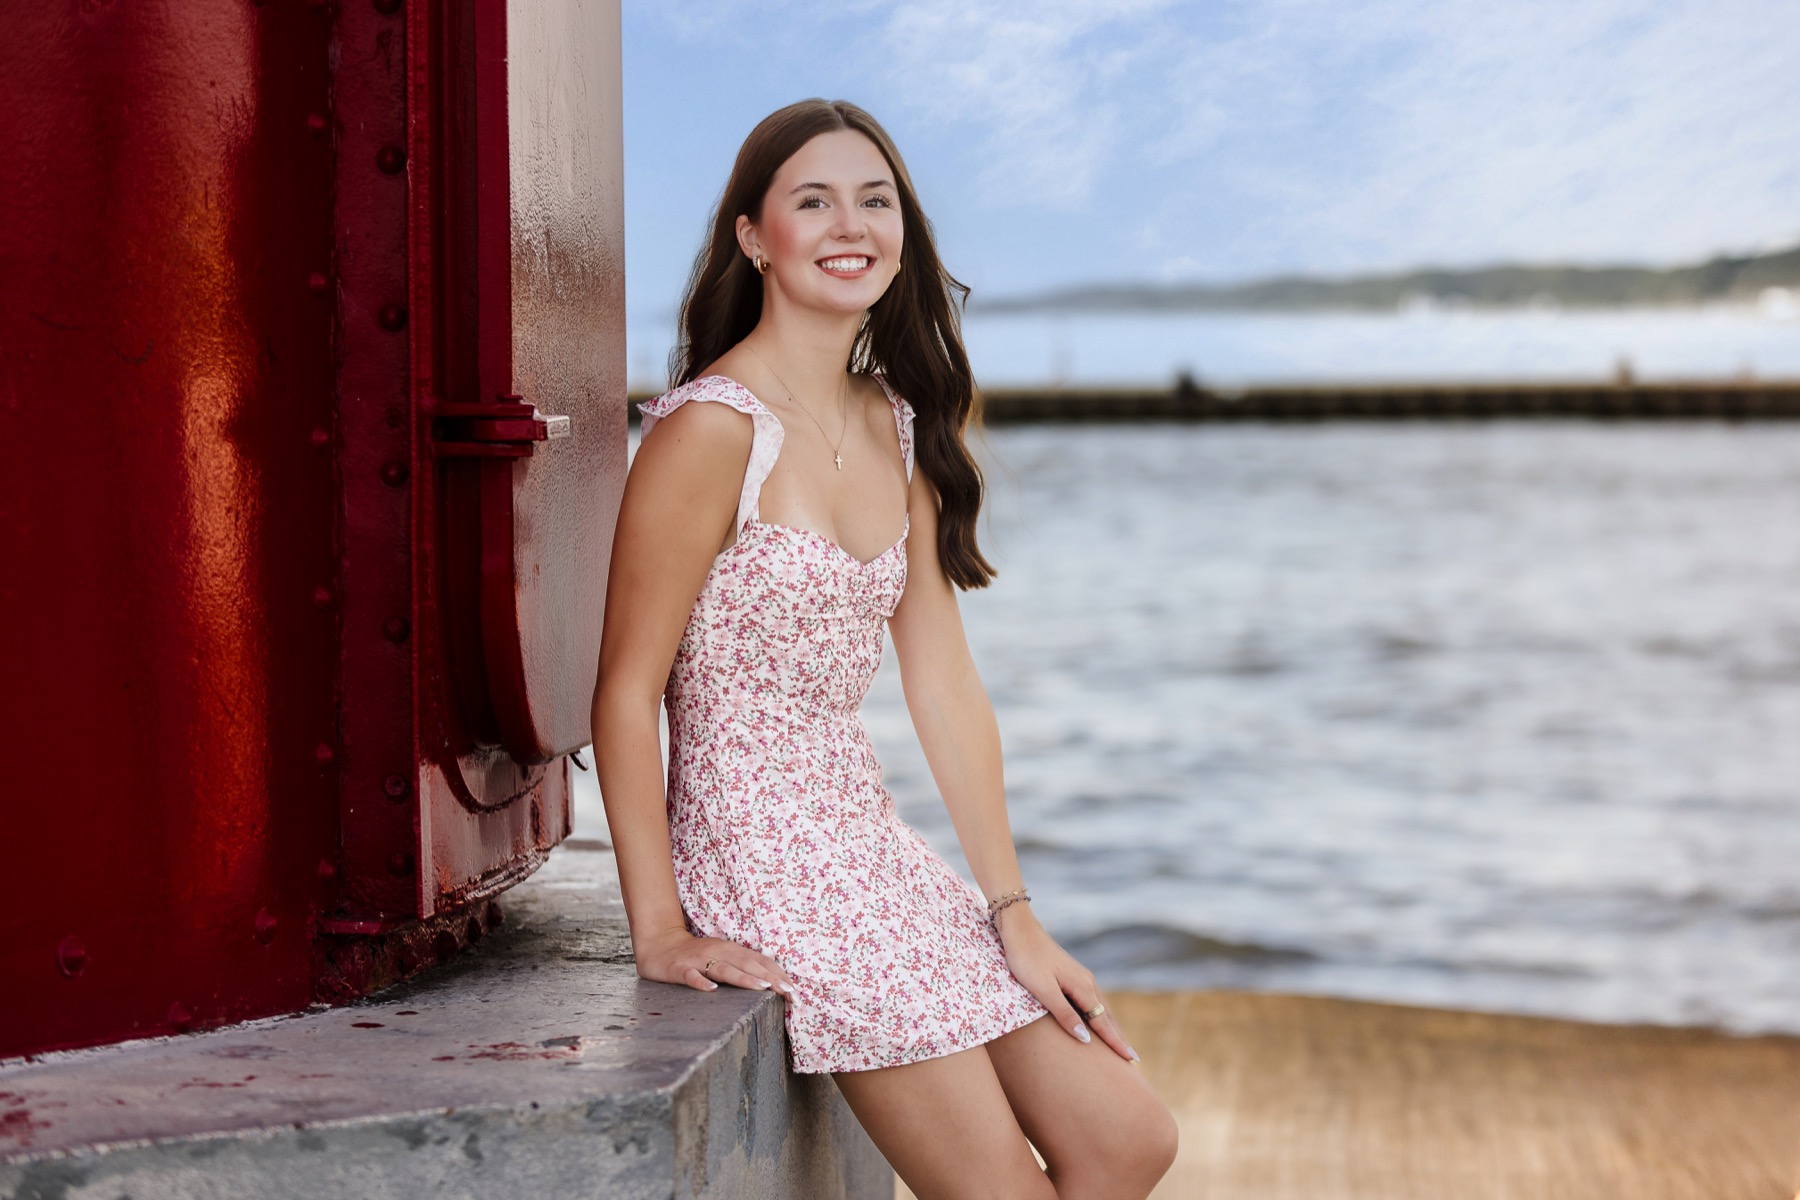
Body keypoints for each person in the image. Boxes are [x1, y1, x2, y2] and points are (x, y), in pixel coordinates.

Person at [592, 98, 1178, 1200]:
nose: (849, 223)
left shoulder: (895, 421)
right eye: (812, 200)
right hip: (763, 864)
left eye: (875, 199)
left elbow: (944, 684)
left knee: (1129, 1139)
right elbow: (625, 693)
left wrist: (1013, 913)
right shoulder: (708, 431)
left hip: (871, 849)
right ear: (754, 237)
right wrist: (658, 929)